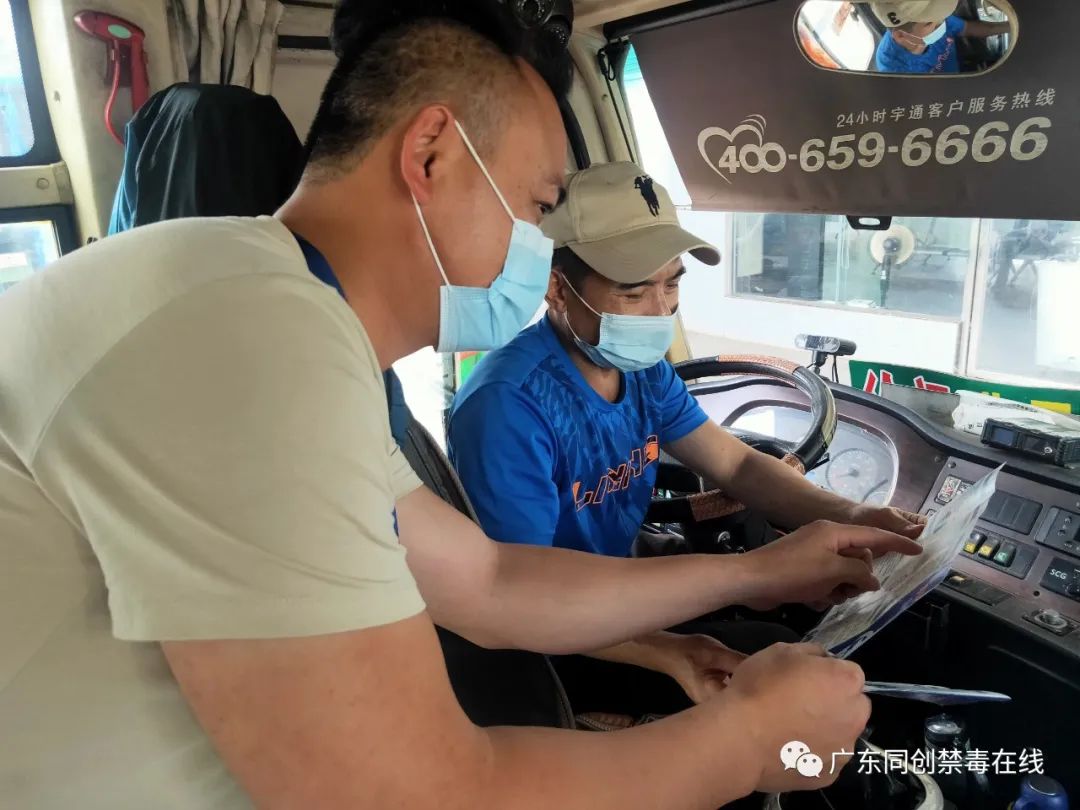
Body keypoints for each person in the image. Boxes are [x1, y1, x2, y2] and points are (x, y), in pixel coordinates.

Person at [0, 4, 921, 809]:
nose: (540, 247)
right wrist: (750, 742)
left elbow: (489, 583)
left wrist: (758, 573)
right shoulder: (244, 332)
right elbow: (419, 795)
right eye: (538, 203)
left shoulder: (277, 315)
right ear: (431, 153)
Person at [448, 161, 927, 715]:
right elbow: (524, 602)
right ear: (558, 288)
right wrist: (669, 650)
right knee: (771, 657)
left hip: (623, 589)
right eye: (633, 292)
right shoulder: (508, 406)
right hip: (551, 641)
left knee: (808, 622)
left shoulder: (642, 370)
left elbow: (737, 466)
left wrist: (853, 515)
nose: (662, 312)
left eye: (671, 283)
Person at [871, 0, 1010, 74]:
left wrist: (1010, 26)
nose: (942, 22)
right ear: (901, 35)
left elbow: (969, 28)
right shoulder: (894, 69)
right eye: (929, 24)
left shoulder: (937, 20)